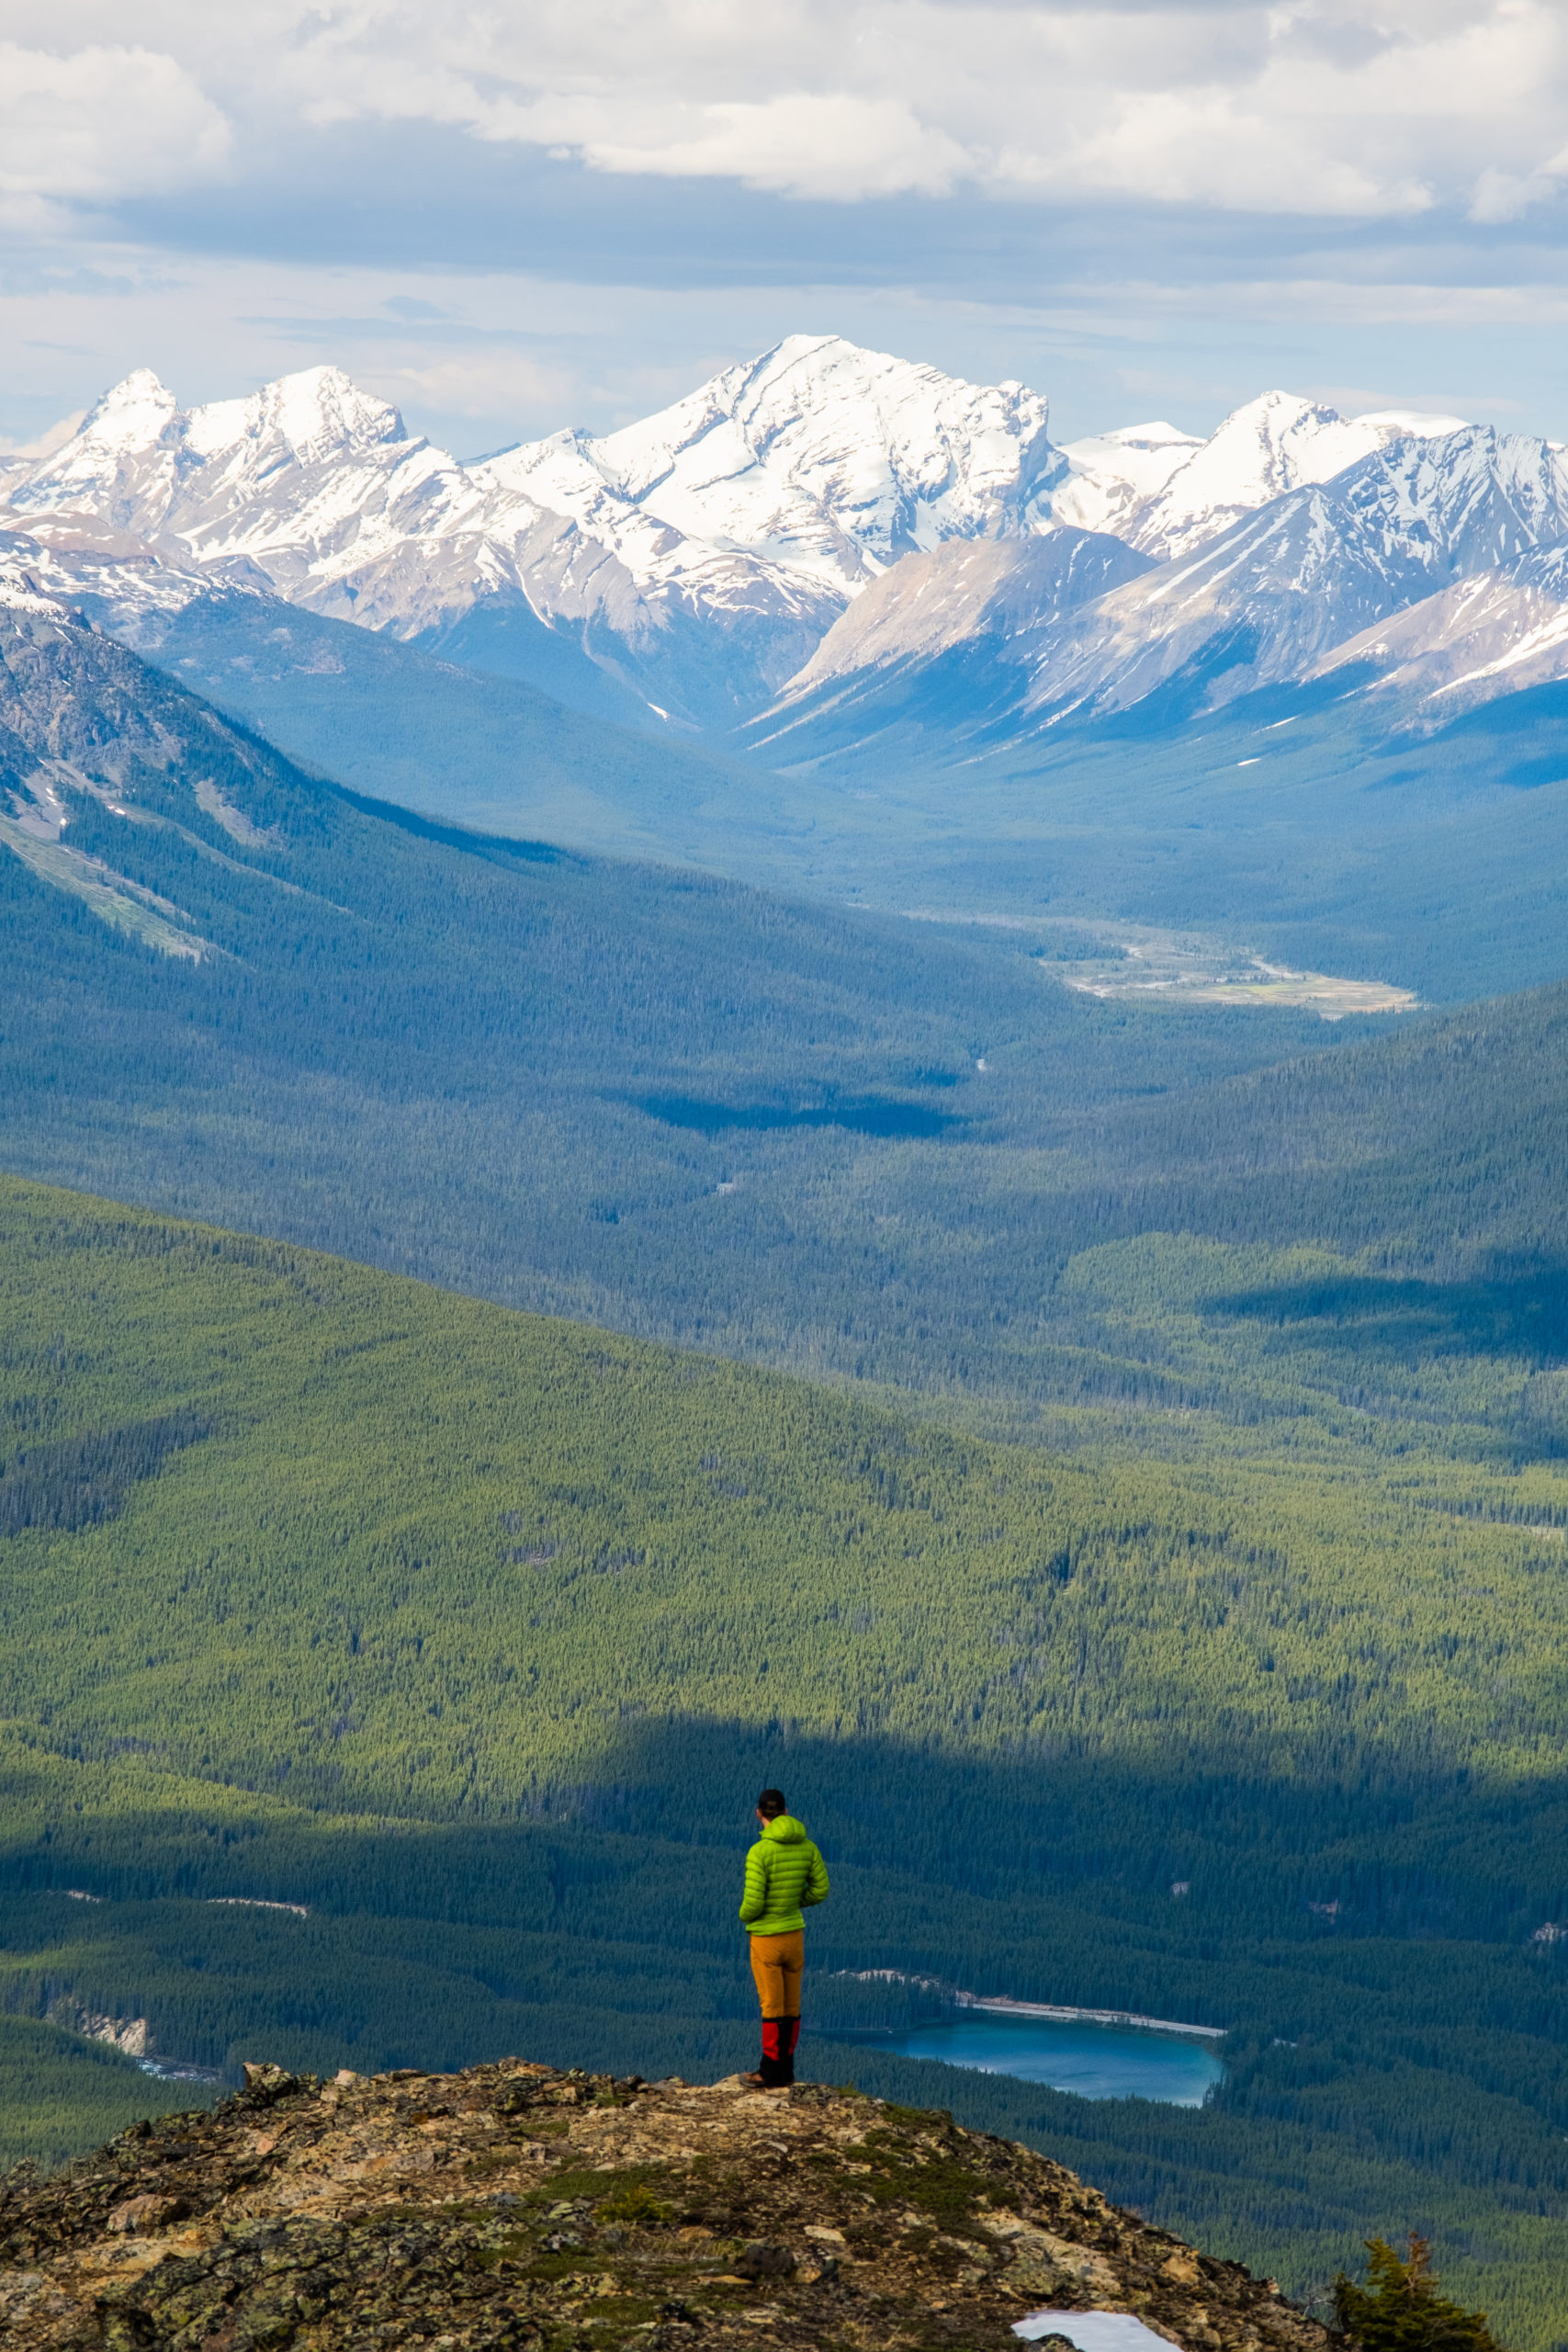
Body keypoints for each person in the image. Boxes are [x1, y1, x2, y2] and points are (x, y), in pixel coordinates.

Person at [739, 1787, 829, 2087]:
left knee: (771, 2006)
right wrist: (791, 1903)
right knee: (792, 2006)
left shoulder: (759, 1852)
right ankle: (787, 2070)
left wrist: (745, 1916)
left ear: (759, 1814)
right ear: (786, 1812)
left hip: (766, 1939)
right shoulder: (808, 1847)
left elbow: (753, 1905)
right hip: (794, 1937)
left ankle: (768, 2072)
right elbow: (820, 1890)